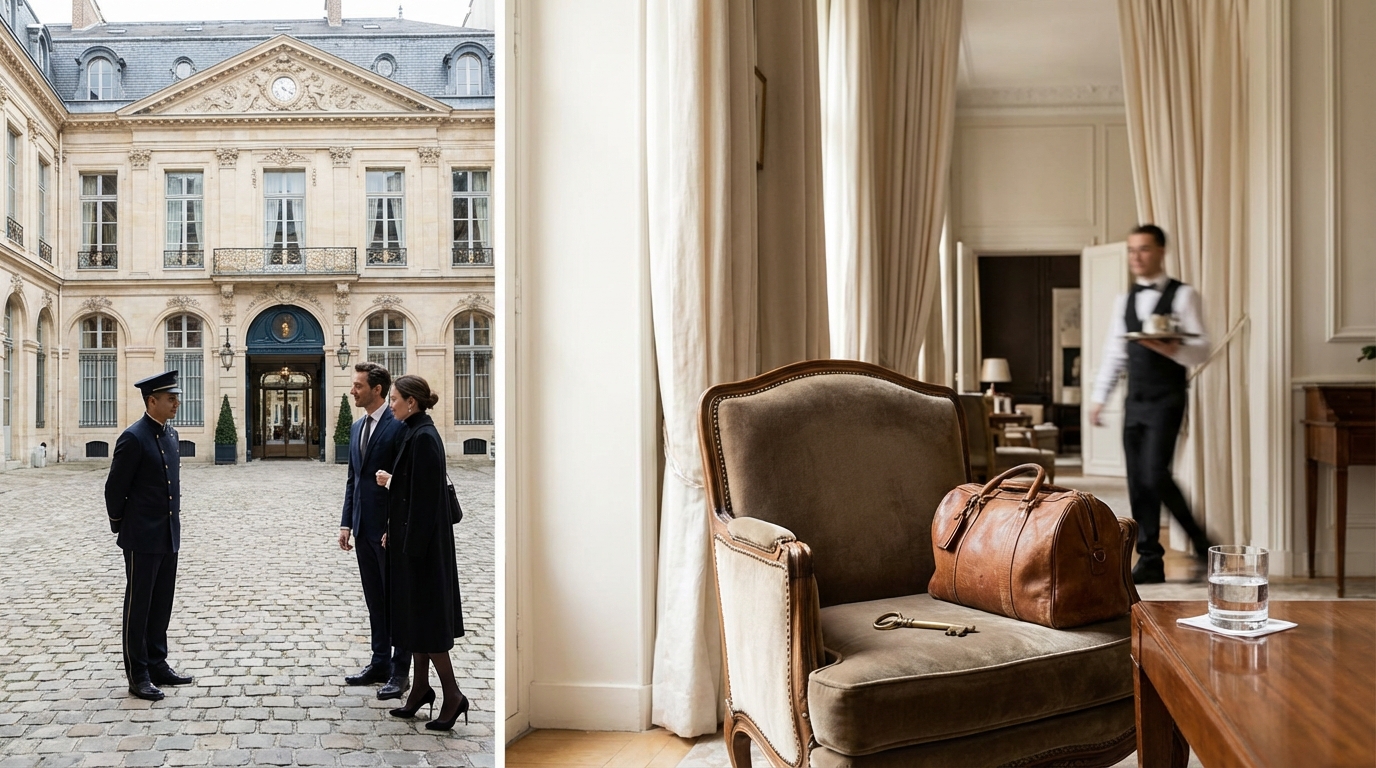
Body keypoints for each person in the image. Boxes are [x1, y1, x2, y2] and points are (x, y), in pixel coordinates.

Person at [1090, 224, 1214, 584]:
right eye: (1131, 250)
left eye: (1143, 249)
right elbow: (1115, 353)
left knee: (1155, 473)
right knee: (1137, 480)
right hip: (1135, 400)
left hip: (1167, 398)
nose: (1136, 257)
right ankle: (1150, 559)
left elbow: (1203, 348)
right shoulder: (1124, 301)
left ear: (1161, 252)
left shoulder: (1184, 295)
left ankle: (1203, 543)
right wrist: (1100, 398)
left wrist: (1173, 348)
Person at [375, 374, 469, 731]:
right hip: (410, 543)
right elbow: (411, 492)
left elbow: (426, 500)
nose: (392, 404)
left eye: (395, 399)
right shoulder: (414, 432)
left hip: (424, 551)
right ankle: (420, 690)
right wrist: (391, 531)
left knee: (427, 625)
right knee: (414, 622)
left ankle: (453, 695)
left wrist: (408, 548)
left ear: (411, 402)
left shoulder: (425, 437)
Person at [104, 370, 195, 701]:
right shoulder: (134, 437)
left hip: (169, 532)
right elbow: (115, 489)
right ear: (151, 401)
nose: (176, 404)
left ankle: (158, 663)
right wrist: (120, 524)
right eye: (170, 399)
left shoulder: (170, 435)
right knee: (139, 605)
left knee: (162, 603)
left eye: (176, 398)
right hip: (141, 535)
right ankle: (138, 672)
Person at [339, 362, 410, 699]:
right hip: (363, 527)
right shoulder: (356, 428)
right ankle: (379, 661)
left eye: (358, 386)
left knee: (396, 600)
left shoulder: (398, 426)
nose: (353, 390)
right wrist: (346, 522)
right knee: (375, 600)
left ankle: (400, 671)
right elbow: (354, 478)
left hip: (388, 530)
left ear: (377, 389)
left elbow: (405, 481)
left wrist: (393, 526)